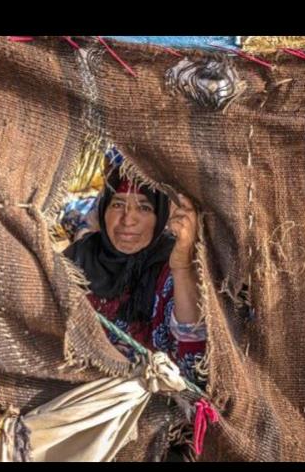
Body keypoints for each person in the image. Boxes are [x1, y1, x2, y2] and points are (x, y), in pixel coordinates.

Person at [63, 164, 206, 386]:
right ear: (103, 210)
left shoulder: (173, 264)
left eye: (144, 208)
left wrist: (182, 268)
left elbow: (193, 363)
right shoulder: (78, 257)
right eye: (118, 204)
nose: (128, 220)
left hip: (145, 398)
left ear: (160, 216)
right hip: (77, 387)